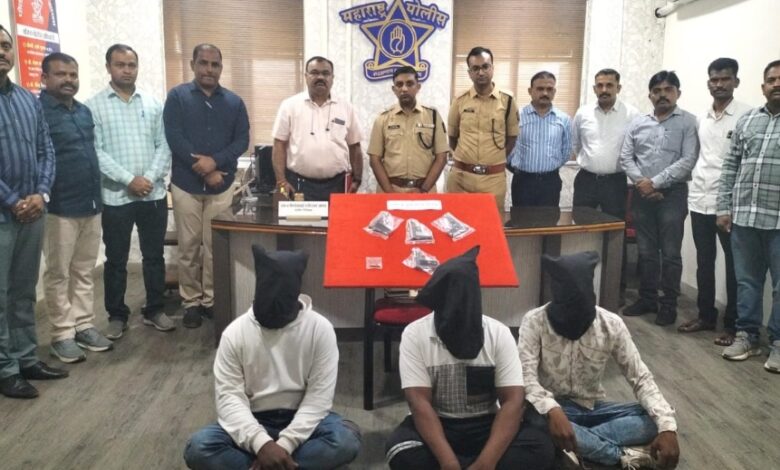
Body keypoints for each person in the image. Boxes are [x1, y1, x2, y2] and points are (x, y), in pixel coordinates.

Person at [183, 245, 361, 469]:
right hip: (253, 417)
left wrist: (284, 445)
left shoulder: (320, 329)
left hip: (302, 417)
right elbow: (229, 398)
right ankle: (286, 465)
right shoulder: (235, 333)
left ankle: (267, 465)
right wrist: (262, 444)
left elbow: (318, 398)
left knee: (345, 440)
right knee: (198, 447)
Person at [385, 246, 555, 470]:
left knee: (541, 448)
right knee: (401, 451)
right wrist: (448, 463)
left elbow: (513, 400)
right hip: (437, 422)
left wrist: (486, 463)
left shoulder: (499, 333)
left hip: (487, 424)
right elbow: (418, 401)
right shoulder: (415, 334)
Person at [518, 251, 680, 469]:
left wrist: (667, 427)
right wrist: (552, 410)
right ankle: (621, 456)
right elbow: (526, 379)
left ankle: (575, 445)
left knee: (659, 415)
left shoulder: (611, 324)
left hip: (592, 409)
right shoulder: (534, 321)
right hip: (550, 410)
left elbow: (641, 378)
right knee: (533, 419)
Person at [0, 25, 68, 399]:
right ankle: (5, 369)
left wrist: (41, 193)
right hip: (4, 214)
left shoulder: (28, 100)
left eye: (6, 45)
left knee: (24, 291)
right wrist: (12, 200)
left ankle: (26, 358)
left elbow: (46, 150)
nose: (3, 52)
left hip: (32, 211)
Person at [88, 43, 173, 338]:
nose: (127, 70)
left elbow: (164, 145)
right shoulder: (93, 106)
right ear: (108, 67)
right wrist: (129, 180)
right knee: (116, 259)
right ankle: (117, 315)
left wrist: (147, 179)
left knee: (154, 255)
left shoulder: (153, 104)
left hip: (153, 194)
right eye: (120, 64)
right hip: (116, 196)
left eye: (131, 65)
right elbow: (96, 152)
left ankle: (155, 309)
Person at [164, 43, 250, 328]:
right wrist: (202, 168)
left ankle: (211, 300)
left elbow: (242, 140)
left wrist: (215, 162)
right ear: (193, 65)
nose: (209, 69)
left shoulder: (235, 102)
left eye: (215, 64)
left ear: (221, 68)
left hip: (222, 184)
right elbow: (174, 137)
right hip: (186, 184)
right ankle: (191, 301)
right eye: (203, 63)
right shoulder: (177, 97)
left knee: (215, 247)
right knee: (188, 247)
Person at [40, 52, 112, 363]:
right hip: (58, 206)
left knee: (84, 270)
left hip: (90, 202)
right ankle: (62, 334)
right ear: (45, 78)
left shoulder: (83, 112)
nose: (69, 80)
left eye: (73, 74)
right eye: (61, 74)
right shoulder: (38, 112)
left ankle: (83, 325)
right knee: (58, 273)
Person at [679, 58, 751, 346]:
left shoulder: (746, 116)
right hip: (700, 200)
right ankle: (706, 316)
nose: (719, 84)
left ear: (736, 81)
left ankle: (733, 325)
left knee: (735, 267)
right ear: (708, 83)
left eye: (725, 79)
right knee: (704, 262)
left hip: (730, 205)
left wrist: (731, 204)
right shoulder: (702, 118)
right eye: (714, 79)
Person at [620, 71, 699, 326]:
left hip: (672, 195)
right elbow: (626, 157)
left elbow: (688, 159)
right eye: (657, 91)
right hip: (641, 195)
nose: (662, 95)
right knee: (646, 251)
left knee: (671, 253)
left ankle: (669, 304)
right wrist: (643, 184)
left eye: (668, 90)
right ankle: (647, 299)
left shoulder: (688, 122)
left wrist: (654, 183)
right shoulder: (638, 123)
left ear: (678, 93)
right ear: (650, 95)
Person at [718, 59, 780, 374]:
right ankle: (748, 337)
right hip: (745, 217)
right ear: (763, 86)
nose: (777, 84)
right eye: (771, 80)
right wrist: (724, 207)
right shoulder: (747, 120)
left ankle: (778, 342)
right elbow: (731, 166)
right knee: (747, 282)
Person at [572, 69, 639, 303]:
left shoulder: (632, 114)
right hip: (586, 180)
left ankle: (615, 291)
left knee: (616, 236)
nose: (604, 90)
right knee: (579, 233)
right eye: (599, 85)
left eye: (609, 85)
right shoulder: (583, 113)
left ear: (618, 88)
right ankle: (579, 287)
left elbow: (636, 148)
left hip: (615, 182)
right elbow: (576, 145)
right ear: (594, 88)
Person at [272, 56, 363, 201]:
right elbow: (279, 145)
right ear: (306, 76)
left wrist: (357, 180)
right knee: (299, 218)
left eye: (325, 73)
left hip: (337, 185)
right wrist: (281, 182)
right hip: (298, 184)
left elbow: (355, 146)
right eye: (314, 72)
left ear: (332, 78)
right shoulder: (289, 106)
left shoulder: (346, 107)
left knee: (336, 217)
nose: (320, 77)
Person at [447, 46, 519, 211]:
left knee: (491, 224)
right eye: (475, 68)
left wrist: (494, 159)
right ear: (469, 73)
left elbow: (512, 137)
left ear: (492, 68)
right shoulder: (459, 100)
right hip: (461, 179)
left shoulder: (507, 100)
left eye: (485, 67)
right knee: (456, 223)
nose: (481, 72)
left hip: (493, 180)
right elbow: (452, 137)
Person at [368, 66, 448, 193]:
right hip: (391, 189)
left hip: (425, 190)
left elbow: (441, 157)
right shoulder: (382, 119)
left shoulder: (433, 116)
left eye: (410, 84)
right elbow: (374, 160)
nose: (404, 89)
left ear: (418, 87)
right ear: (394, 89)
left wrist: (423, 190)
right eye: (399, 85)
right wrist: (390, 192)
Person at [507, 71, 572, 207]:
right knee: (521, 219)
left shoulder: (563, 119)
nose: (545, 93)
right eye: (540, 89)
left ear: (554, 91)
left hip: (550, 182)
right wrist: (515, 167)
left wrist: (549, 167)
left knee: (548, 219)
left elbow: (566, 152)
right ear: (530, 91)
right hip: (523, 182)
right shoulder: (517, 116)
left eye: (549, 89)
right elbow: (507, 147)